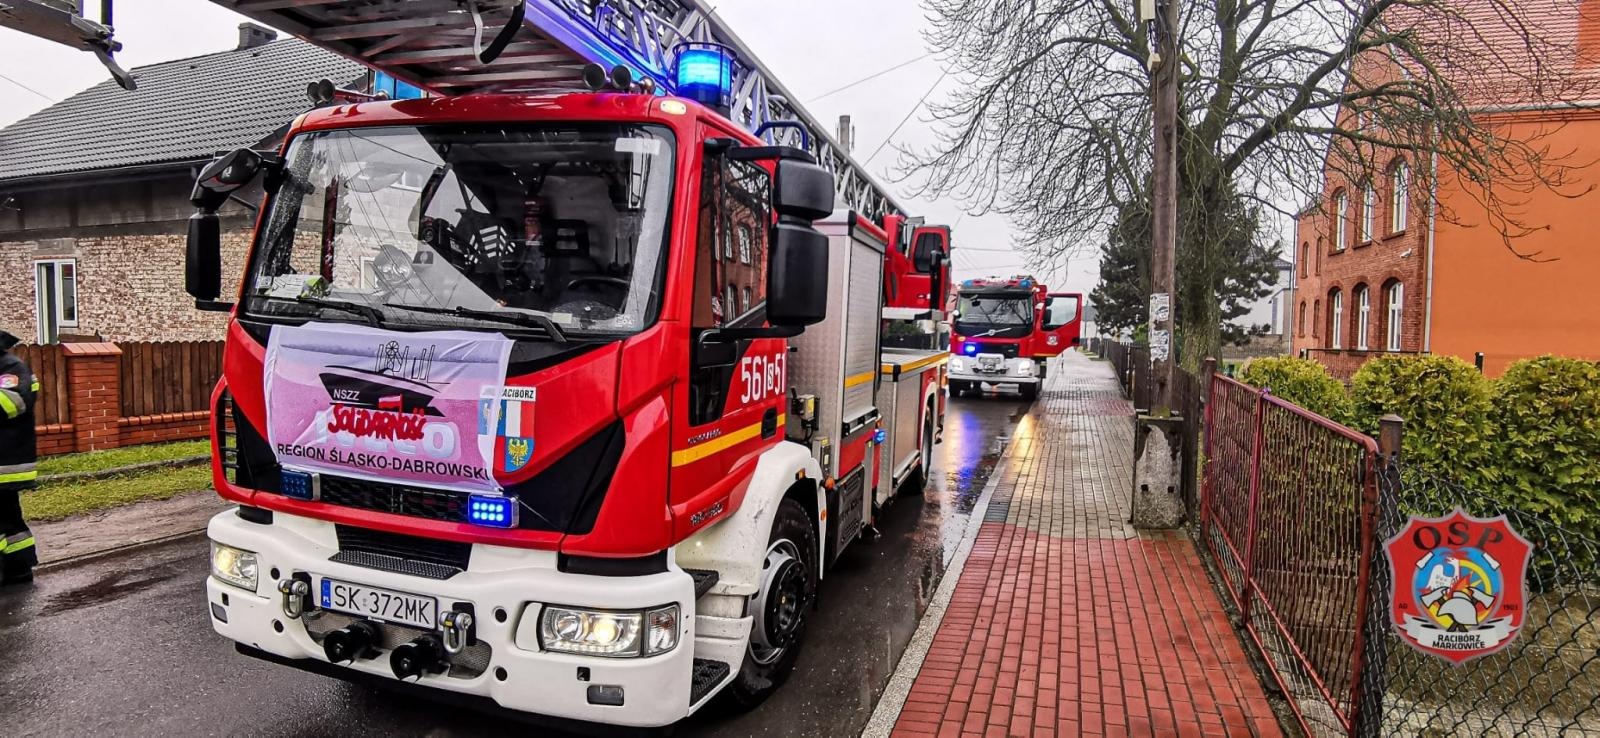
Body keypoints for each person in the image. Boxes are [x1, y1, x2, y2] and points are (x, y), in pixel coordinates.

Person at [0, 329, 39, 585]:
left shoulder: (10, 366)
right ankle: (17, 570)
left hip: (6, 464)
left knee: (6, 519)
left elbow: (13, 402)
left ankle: (18, 570)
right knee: (8, 521)